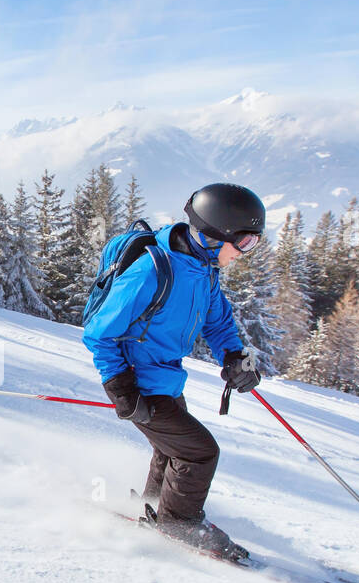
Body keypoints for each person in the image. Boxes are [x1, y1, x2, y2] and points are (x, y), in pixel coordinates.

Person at [82, 182, 265, 558]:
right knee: (199, 452)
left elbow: (218, 323)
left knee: (172, 451)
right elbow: (99, 333)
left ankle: (153, 506)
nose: (246, 253)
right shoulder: (152, 270)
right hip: (139, 380)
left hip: (165, 377)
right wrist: (120, 387)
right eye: (244, 242)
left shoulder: (203, 269)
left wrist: (233, 357)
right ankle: (178, 525)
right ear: (215, 235)